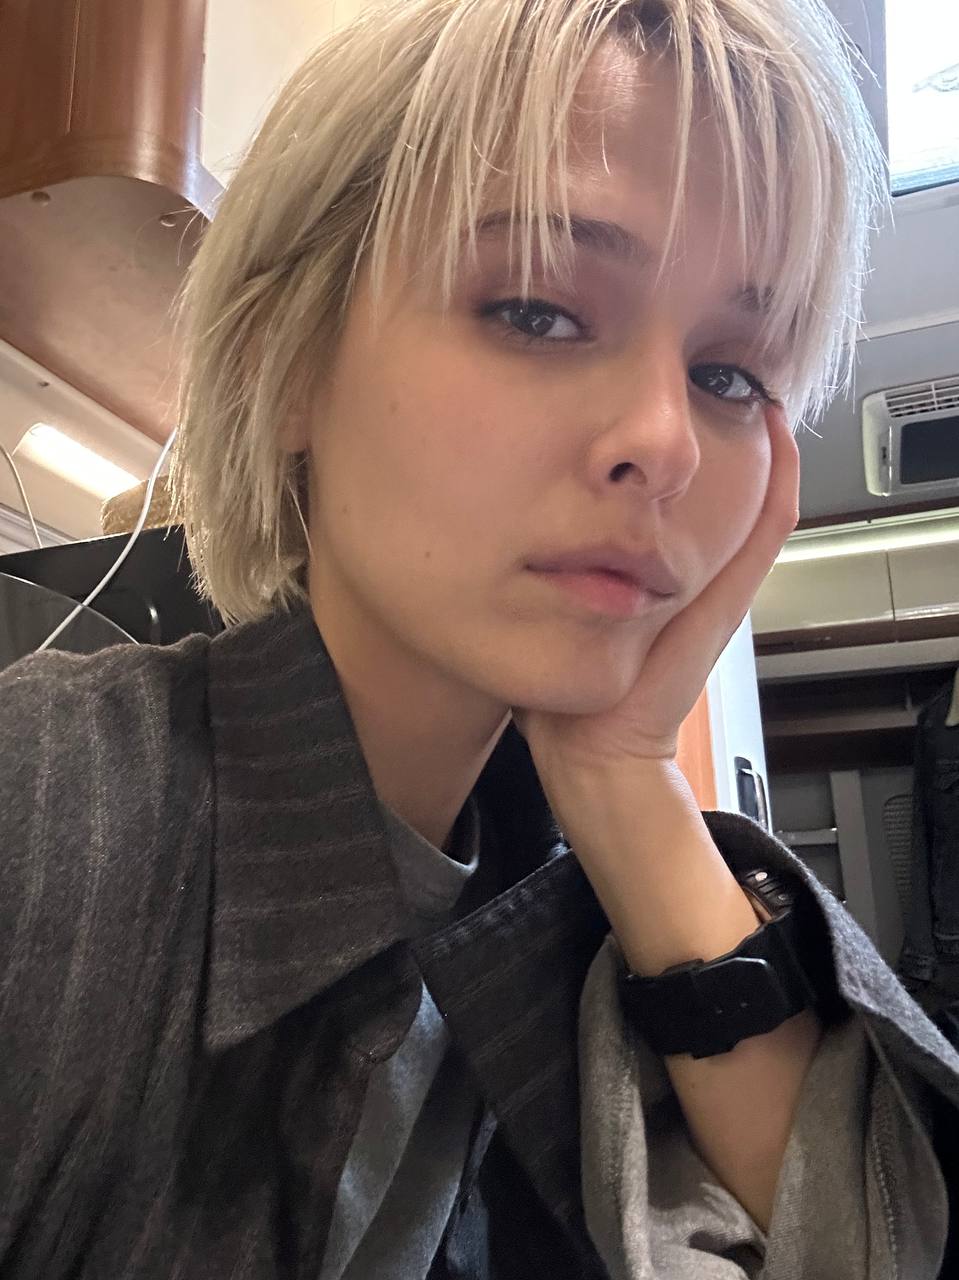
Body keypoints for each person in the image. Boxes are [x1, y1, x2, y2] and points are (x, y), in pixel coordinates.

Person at [1, 1, 957, 1276]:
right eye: (536, 309)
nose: (666, 441)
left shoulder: (575, 907)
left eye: (729, 373)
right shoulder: (45, 799)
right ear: (289, 358)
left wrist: (623, 775)